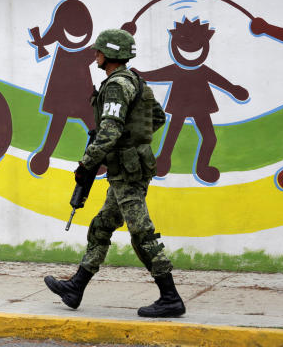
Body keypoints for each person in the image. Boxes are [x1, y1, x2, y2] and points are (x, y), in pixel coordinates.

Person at [43, 29, 186, 318]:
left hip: (126, 170)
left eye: (98, 51)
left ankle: (170, 297)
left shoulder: (115, 86)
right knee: (101, 226)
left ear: (109, 54)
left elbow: (108, 131)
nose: (95, 54)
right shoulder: (136, 81)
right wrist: (133, 140)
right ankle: (76, 287)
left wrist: (86, 164)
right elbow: (156, 117)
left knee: (141, 233)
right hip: (130, 166)